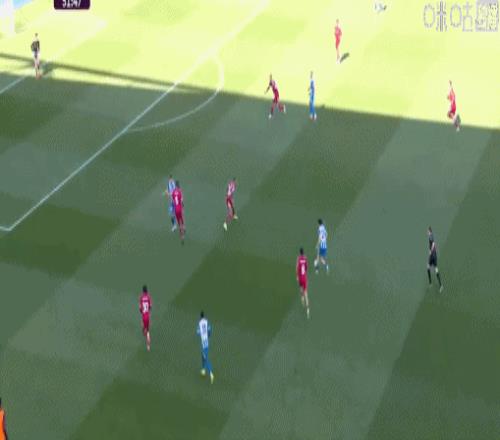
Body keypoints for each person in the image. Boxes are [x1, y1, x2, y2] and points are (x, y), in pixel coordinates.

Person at [197, 311, 214, 384]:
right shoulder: (206, 322)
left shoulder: (199, 323)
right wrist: (208, 335)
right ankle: (203, 370)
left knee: (205, 358)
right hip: (206, 341)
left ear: (200, 317)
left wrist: (202, 334)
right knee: (203, 356)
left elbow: (198, 332)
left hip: (204, 343)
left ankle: (211, 373)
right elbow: (210, 330)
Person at [427, 227, 443, 292]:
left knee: (428, 267)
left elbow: (433, 244)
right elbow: (434, 244)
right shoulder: (432, 236)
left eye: (427, 231)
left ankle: (430, 283)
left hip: (432, 256)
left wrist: (430, 251)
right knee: (436, 269)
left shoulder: (430, 236)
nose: (427, 232)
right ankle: (441, 286)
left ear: (429, 231)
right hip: (434, 256)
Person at [296, 248, 310, 319]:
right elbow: (306, 267)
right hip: (304, 278)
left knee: (301, 292)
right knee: (306, 293)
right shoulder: (305, 258)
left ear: (299, 252)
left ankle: (303, 305)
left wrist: (297, 276)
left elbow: (297, 268)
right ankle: (307, 309)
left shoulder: (298, 259)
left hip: (300, 278)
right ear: (303, 252)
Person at [139, 285, 152, 351]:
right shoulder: (149, 297)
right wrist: (148, 311)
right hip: (148, 316)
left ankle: (144, 331)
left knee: (143, 326)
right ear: (147, 290)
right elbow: (150, 306)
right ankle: (148, 346)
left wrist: (141, 312)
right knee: (148, 331)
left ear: (142, 290)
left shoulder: (141, 297)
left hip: (143, 316)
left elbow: (140, 308)